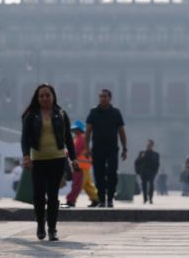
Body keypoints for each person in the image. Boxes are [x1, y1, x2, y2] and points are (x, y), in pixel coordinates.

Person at [21, 83, 79, 241]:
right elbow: (24, 138)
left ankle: (52, 228)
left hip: (57, 159)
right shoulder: (31, 115)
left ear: (53, 96)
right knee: (38, 195)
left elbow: (68, 138)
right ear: (37, 98)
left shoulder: (60, 113)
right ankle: (41, 225)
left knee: (53, 195)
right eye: (41, 96)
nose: (45, 98)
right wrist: (26, 156)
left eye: (48, 95)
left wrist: (73, 159)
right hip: (38, 160)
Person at [85, 89, 127, 208]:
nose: (102, 98)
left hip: (112, 148)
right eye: (101, 96)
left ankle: (110, 198)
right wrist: (87, 148)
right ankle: (102, 199)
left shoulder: (116, 113)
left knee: (112, 173)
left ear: (110, 98)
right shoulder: (93, 112)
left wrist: (125, 148)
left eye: (105, 96)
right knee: (99, 175)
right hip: (97, 149)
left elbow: (121, 131)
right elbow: (88, 131)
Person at [64, 120, 99, 207]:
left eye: (76, 129)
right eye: (74, 129)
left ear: (80, 129)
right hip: (85, 166)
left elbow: (75, 151)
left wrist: (65, 153)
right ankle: (97, 199)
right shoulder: (79, 138)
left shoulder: (80, 138)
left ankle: (70, 201)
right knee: (87, 185)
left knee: (77, 184)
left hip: (80, 166)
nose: (75, 131)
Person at [135, 139, 160, 204]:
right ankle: (145, 198)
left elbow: (157, 164)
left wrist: (155, 171)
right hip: (143, 172)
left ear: (152, 146)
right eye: (147, 145)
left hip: (151, 172)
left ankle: (151, 198)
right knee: (144, 185)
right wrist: (142, 157)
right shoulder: (142, 153)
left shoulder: (156, 154)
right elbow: (137, 162)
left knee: (151, 185)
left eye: (149, 145)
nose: (148, 146)